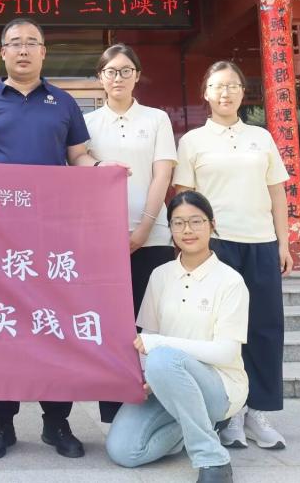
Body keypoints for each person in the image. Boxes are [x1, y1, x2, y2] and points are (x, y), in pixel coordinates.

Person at [0, 17, 122, 461]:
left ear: (44, 52)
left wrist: (100, 171)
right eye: (15, 43)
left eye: (32, 43)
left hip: (51, 236)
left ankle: (56, 422)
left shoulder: (63, 102)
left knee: (53, 324)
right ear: (3, 52)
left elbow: (78, 155)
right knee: (0, 327)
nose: (23, 50)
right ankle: (0, 423)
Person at [173, 60, 293, 451]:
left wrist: (283, 243)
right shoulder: (192, 141)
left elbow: (277, 193)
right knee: (220, 332)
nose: (225, 93)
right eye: (217, 86)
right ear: (205, 93)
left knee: (264, 328)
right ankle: (229, 413)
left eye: (233, 86)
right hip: (217, 246)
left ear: (244, 92)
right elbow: (185, 200)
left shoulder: (262, 137)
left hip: (260, 243)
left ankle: (258, 412)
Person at [106, 190, 249, 483]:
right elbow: (148, 336)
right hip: (165, 379)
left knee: (161, 358)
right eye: (178, 223)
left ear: (212, 224)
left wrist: (160, 346)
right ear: (170, 228)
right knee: (124, 451)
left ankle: (213, 459)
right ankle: (198, 426)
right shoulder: (160, 275)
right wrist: (147, 375)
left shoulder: (230, 281)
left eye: (196, 221)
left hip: (218, 386)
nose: (187, 230)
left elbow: (226, 352)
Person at [84, 44, 177, 425]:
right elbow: (79, 168)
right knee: (110, 326)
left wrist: (143, 227)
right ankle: (113, 416)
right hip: (101, 241)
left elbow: (162, 174)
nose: (118, 78)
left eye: (125, 70)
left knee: (150, 324)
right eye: (110, 71)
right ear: (100, 78)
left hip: (152, 237)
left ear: (137, 75)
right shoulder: (88, 124)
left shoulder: (157, 119)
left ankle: (155, 409)